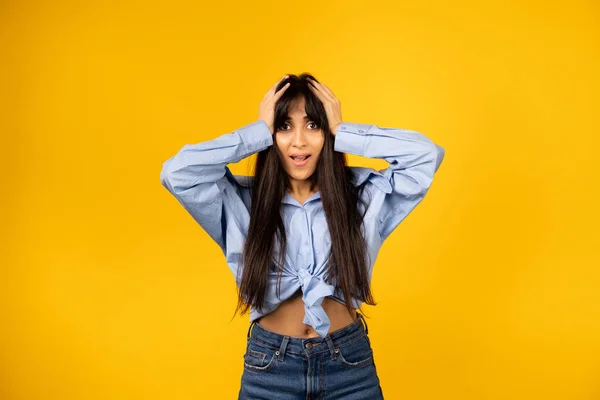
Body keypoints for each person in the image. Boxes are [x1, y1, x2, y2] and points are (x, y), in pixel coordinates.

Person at [160, 73, 445, 399]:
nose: (299, 141)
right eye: (284, 126)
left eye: (313, 125)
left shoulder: (364, 196)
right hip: (270, 369)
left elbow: (426, 155)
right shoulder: (241, 202)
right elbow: (176, 172)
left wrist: (344, 131)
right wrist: (255, 134)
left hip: (349, 365)